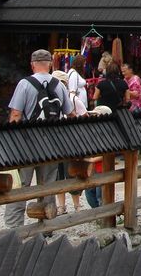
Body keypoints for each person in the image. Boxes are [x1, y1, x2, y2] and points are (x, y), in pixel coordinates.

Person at [5, 49, 74, 228]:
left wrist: (11, 141)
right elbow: (70, 113)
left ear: (32, 64)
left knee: (21, 185)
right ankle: (45, 226)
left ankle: (15, 227)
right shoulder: (59, 85)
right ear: (50, 64)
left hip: (27, 144)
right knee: (47, 186)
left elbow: (16, 114)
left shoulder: (24, 84)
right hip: (52, 144)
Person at [51, 70, 84, 214]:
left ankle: (77, 205)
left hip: (71, 141)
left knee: (71, 172)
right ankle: (61, 206)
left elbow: (84, 116)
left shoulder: (73, 99)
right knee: (58, 174)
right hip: (56, 141)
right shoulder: (50, 99)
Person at [82, 105, 113, 208]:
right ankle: (97, 213)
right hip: (92, 167)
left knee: (100, 195)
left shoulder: (109, 133)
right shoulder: (93, 130)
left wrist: (92, 160)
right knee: (89, 193)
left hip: (103, 168)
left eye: (96, 115)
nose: (93, 117)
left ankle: (103, 214)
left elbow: (110, 152)